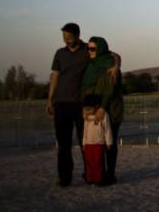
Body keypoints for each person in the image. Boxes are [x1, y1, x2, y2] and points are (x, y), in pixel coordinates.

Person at [46, 23, 120, 187]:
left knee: (85, 143)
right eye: (64, 37)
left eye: (69, 37)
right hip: (61, 103)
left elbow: (114, 55)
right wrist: (50, 99)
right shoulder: (59, 53)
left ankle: (90, 175)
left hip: (81, 105)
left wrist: (116, 66)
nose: (66, 40)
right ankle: (65, 178)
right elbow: (55, 76)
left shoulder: (88, 49)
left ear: (78, 36)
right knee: (63, 144)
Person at [81, 36, 124, 185]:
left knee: (109, 144)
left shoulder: (111, 65)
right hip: (93, 110)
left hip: (111, 110)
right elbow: (86, 89)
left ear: (100, 48)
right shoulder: (91, 66)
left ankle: (110, 175)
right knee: (96, 144)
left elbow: (109, 89)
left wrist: (102, 108)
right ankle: (97, 174)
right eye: (88, 48)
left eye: (93, 48)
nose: (90, 51)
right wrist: (85, 108)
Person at [81, 94, 112, 185]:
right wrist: (84, 143)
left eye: (89, 109)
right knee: (89, 162)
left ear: (96, 106)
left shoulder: (104, 115)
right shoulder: (87, 117)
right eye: (86, 109)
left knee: (98, 162)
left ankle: (98, 179)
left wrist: (108, 142)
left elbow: (107, 129)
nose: (87, 111)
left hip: (99, 143)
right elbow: (85, 131)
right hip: (88, 144)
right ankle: (90, 178)